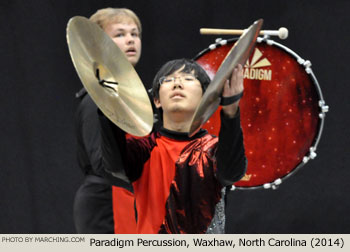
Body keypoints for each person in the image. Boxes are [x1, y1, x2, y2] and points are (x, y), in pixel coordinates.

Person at [99, 58, 247, 233]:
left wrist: (231, 112)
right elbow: (115, 165)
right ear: (157, 101)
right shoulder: (143, 148)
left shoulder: (214, 148)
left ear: (205, 98)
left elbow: (232, 172)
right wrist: (108, 105)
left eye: (188, 79)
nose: (177, 83)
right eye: (167, 80)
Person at [73, 7, 141, 234]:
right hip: (107, 204)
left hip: (126, 199)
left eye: (135, 34)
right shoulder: (97, 98)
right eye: (119, 34)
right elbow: (102, 164)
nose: (130, 40)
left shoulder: (130, 97)